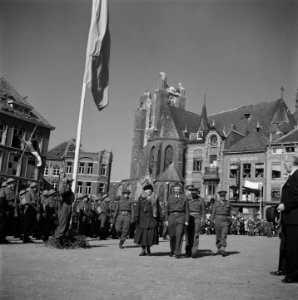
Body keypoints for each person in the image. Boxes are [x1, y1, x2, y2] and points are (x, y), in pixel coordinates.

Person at [277, 157, 298, 283]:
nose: (284, 166)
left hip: (294, 218)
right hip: (289, 218)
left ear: (290, 163)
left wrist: (286, 205)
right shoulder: (292, 176)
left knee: (293, 248)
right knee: (286, 246)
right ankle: (286, 270)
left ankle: (294, 274)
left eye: (285, 164)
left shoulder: (296, 176)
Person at [134, 182, 160, 256]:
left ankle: (148, 249)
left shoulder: (155, 198)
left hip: (152, 219)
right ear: (144, 191)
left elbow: (158, 208)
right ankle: (143, 250)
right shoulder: (141, 198)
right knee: (143, 236)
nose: (149, 191)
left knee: (149, 236)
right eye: (147, 190)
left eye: (150, 190)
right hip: (142, 219)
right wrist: (136, 217)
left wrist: (159, 218)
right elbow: (137, 208)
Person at [166, 182, 189, 258]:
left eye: (178, 189)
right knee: (172, 235)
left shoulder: (185, 198)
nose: (176, 190)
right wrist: (166, 219)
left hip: (181, 217)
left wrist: (186, 220)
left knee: (179, 235)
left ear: (181, 190)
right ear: (173, 190)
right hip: (172, 217)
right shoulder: (170, 197)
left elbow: (187, 210)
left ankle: (178, 253)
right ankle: (172, 250)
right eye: (175, 189)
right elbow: (167, 210)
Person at [185, 187, 206, 258]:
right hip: (188, 217)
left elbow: (203, 211)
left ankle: (194, 251)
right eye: (192, 193)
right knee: (188, 235)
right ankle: (188, 251)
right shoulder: (187, 199)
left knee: (195, 235)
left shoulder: (201, 200)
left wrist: (203, 219)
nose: (193, 195)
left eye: (195, 193)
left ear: (197, 193)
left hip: (197, 218)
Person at [54, 178, 75, 248]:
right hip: (64, 206)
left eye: (71, 183)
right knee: (63, 223)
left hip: (69, 206)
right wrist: (64, 183)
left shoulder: (69, 190)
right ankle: (58, 240)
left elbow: (72, 198)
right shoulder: (64, 188)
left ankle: (62, 240)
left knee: (66, 225)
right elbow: (61, 192)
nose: (71, 184)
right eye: (70, 182)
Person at [211, 190, 232, 257]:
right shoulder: (216, 203)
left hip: (225, 220)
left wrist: (231, 221)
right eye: (221, 196)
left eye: (223, 196)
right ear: (220, 197)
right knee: (218, 236)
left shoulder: (228, 203)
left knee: (224, 235)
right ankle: (219, 249)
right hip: (217, 220)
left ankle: (223, 249)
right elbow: (213, 213)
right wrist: (211, 220)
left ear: (225, 196)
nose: (222, 197)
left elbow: (230, 213)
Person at [0, 178, 16, 243]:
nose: (14, 184)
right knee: (2, 225)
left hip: (10, 209)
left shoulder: (12, 191)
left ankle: (3, 238)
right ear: (9, 183)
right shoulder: (3, 189)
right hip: (5, 208)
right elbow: (1, 199)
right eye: (13, 183)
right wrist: (3, 210)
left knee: (7, 225)